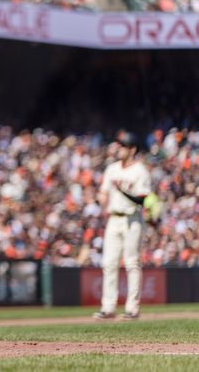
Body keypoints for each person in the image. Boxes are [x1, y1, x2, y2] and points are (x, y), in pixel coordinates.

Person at [93, 131, 151, 321]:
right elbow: (103, 194)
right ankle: (108, 308)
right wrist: (99, 199)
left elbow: (141, 200)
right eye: (119, 146)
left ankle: (132, 309)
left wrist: (121, 190)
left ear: (132, 150)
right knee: (109, 263)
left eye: (123, 146)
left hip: (132, 219)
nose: (119, 149)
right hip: (114, 218)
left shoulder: (140, 170)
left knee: (132, 263)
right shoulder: (112, 169)